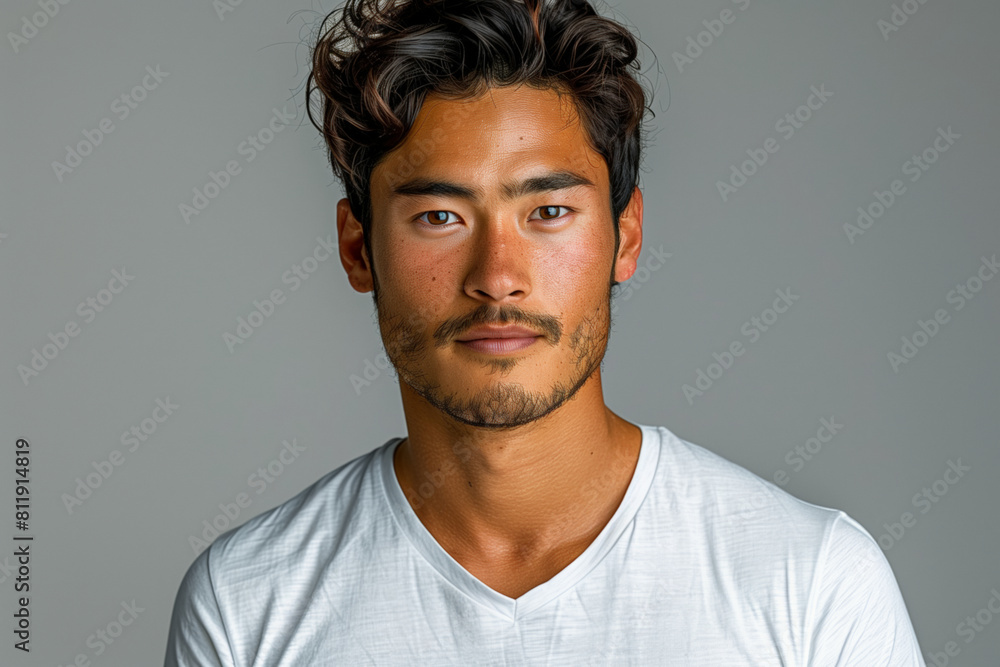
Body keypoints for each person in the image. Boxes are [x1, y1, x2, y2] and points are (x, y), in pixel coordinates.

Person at [165, 0, 926, 664]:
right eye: (440, 217)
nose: (498, 274)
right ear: (358, 248)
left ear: (625, 236)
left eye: (548, 212)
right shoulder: (247, 604)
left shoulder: (813, 581)